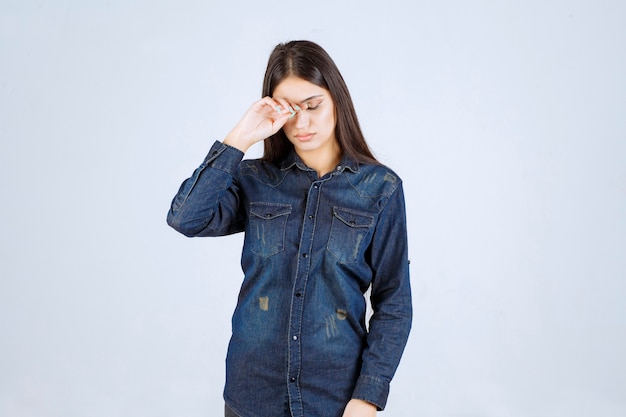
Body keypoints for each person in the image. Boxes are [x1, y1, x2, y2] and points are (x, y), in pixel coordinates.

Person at [167, 40, 412, 417]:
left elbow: (394, 301)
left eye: (313, 106)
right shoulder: (255, 180)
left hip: (333, 398)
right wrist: (241, 136)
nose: (302, 123)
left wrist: (368, 397)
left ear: (336, 100)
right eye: (289, 110)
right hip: (253, 396)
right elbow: (186, 218)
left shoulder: (380, 189)